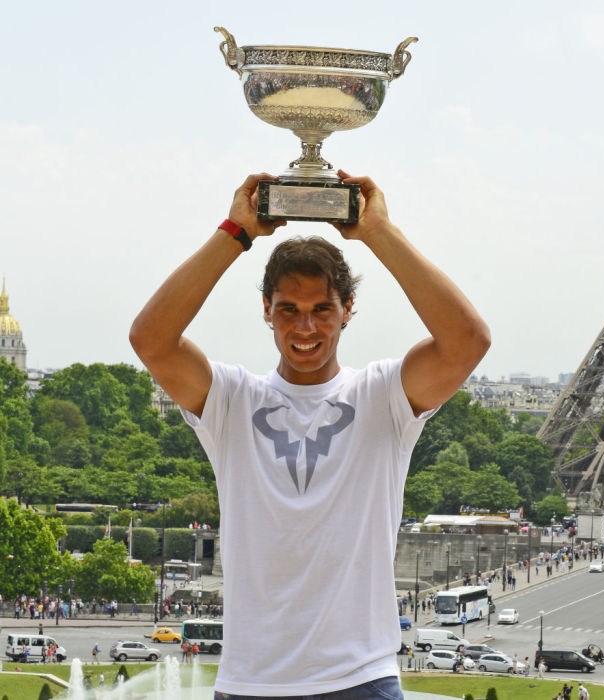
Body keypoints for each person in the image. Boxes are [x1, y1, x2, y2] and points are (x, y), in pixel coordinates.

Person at [129, 172, 490, 698]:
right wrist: (236, 231)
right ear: (267, 312)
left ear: (348, 310)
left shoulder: (382, 396)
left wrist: (379, 233)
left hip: (357, 677)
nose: (305, 328)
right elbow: (150, 339)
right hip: (254, 682)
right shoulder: (232, 399)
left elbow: (469, 342)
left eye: (322, 310)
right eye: (289, 311)